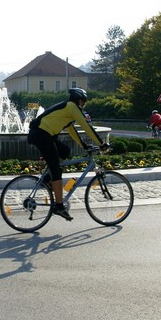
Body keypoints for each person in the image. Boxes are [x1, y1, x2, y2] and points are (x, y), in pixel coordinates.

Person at [27, 88, 108, 221]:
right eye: (83, 101)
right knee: (56, 169)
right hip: (41, 134)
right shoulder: (72, 107)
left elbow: (72, 130)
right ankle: (59, 206)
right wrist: (101, 144)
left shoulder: (68, 110)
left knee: (65, 151)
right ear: (78, 99)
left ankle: (48, 179)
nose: (83, 104)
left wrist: (84, 146)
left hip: (45, 135)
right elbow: (87, 126)